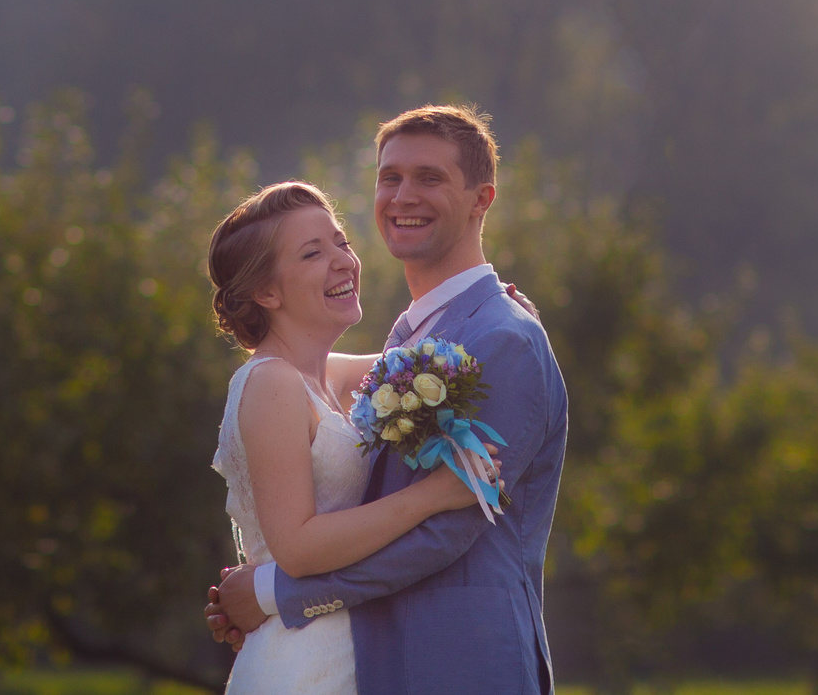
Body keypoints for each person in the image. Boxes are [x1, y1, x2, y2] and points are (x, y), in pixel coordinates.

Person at [207, 106, 569, 695]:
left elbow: (445, 533)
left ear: (482, 199)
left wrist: (270, 594)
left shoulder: (501, 339)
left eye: (430, 178)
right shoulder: (408, 345)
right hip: (368, 658)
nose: (403, 196)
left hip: (464, 663)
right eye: (389, 178)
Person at [206, 180, 496, 695]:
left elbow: (439, 350)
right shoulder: (270, 383)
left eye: (340, 242)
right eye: (313, 253)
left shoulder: (328, 376)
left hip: (356, 648)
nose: (343, 261)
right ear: (267, 292)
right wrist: (430, 496)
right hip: (304, 664)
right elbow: (295, 547)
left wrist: (494, 307)